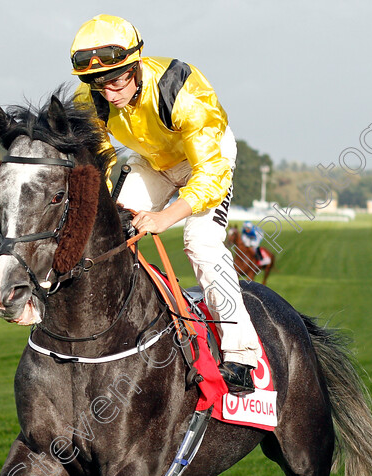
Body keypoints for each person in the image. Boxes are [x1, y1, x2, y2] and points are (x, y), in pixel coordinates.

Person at [70, 14, 261, 393]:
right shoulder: (91, 98)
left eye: (117, 80)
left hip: (206, 161)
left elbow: (210, 175)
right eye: (98, 84)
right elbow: (102, 159)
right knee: (109, 232)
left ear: (136, 65)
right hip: (154, 162)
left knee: (201, 243)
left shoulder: (183, 89)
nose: (110, 94)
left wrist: (165, 217)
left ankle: (242, 354)